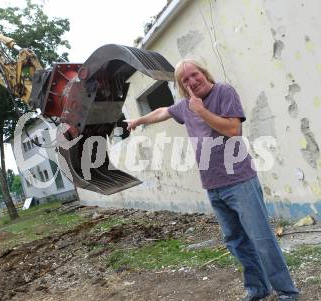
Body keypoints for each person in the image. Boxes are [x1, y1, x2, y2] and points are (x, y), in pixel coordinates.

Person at [126, 59, 299, 301]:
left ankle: (287, 292)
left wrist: (202, 111)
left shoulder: (223, 92)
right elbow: (163, 111)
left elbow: (233, 130)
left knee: (261, 239)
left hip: (240, 181)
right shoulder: (186, 105)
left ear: (204, 73)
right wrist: (138, 120)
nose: (192, 81)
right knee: (236, 241)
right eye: (184, 80)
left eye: (194, 74)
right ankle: (258, 288)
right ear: (180, 86)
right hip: (213, 185)